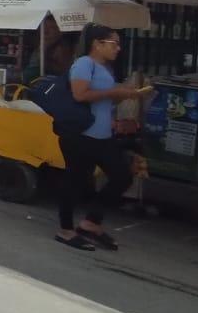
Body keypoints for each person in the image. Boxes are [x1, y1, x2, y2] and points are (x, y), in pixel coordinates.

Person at [54, 24, 154, 251]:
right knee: (75, 181)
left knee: (122, 176)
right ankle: (65, 229)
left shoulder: (105, 69)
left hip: (102, 135)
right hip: (81, 135)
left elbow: (106, 101)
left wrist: (129, 95)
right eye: (113, 43)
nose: (118, 48)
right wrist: (114, 93)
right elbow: (80, 95)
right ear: (97, 44)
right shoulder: (83, 64)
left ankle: (91, 222)